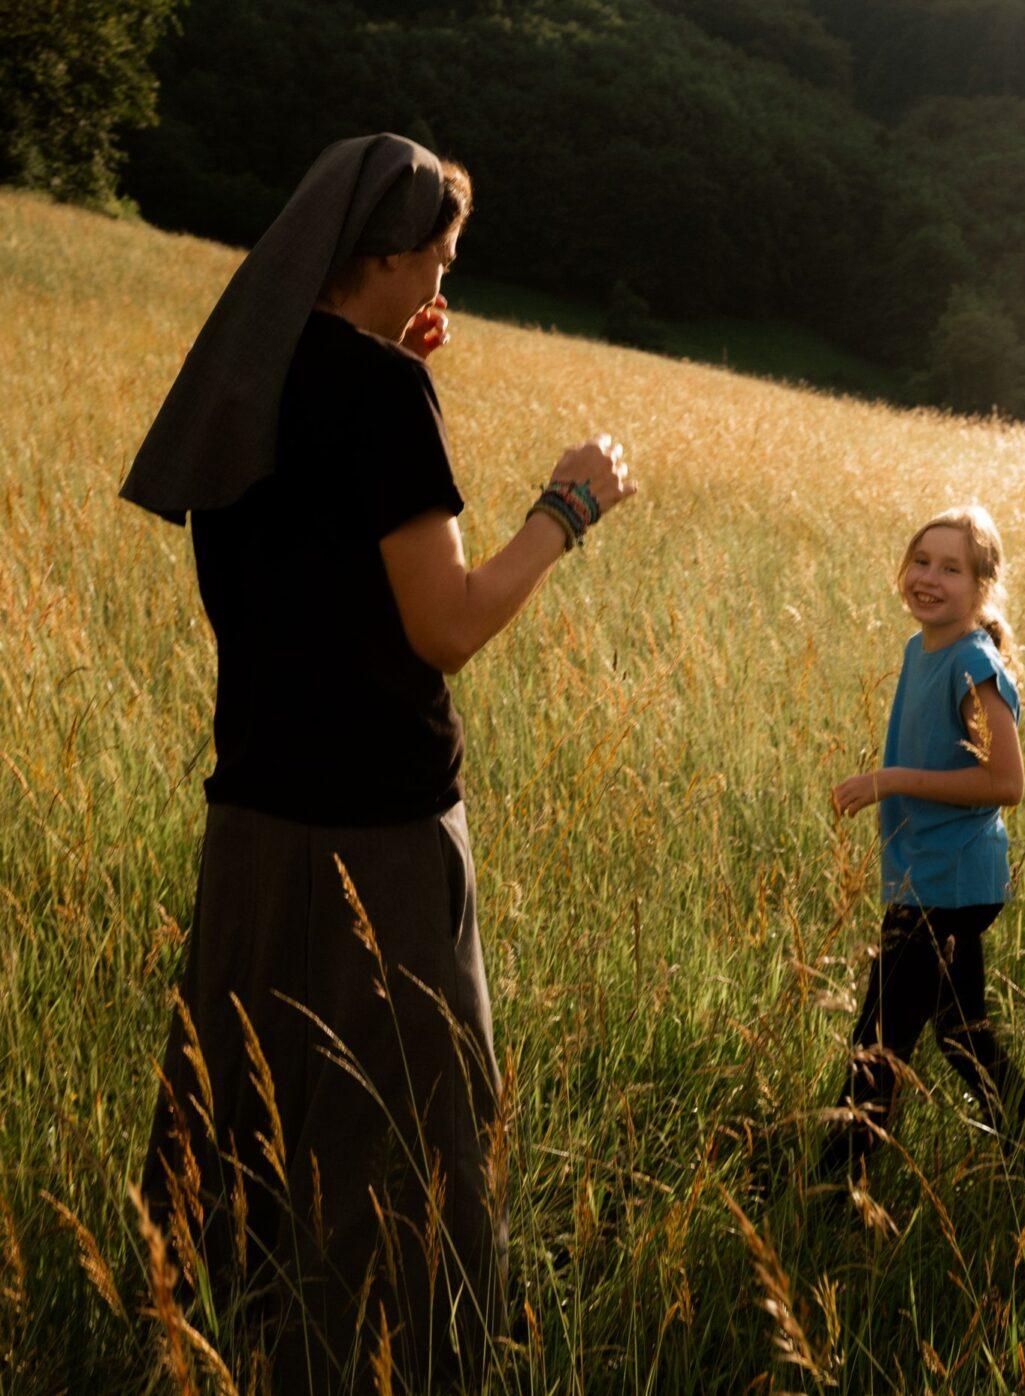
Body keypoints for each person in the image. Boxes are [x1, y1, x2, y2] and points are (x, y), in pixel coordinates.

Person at [123, 134, 636, 1390]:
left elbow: (302, 559)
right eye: (438, 262)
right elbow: (445, 625)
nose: (442, 291)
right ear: (388, 254)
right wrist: (569, 508)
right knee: (406, 1128)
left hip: (253, 813)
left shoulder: (249, 378)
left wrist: (379, 367)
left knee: (242, 1103)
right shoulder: (386, 401)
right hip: (384, 833)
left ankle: (202, 1338)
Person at [816, 505, 1025, 1185]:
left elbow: (1006, 781)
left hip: (949, 884)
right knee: (958, 1033)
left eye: (952, 568)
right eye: (921, 561)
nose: (930, 578)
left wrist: (890, 780)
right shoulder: (924, 648)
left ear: (982, 588)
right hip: (927, 875)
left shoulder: (972, 663)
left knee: (880, 1040)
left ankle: (834, 1184)